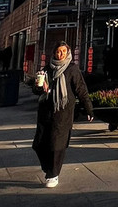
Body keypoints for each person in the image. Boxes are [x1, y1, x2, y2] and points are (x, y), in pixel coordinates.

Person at [32, 41, 94, 189]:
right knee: (39, 144)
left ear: (68, 54)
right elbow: (36, 91)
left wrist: (89, 109)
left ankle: (53, 174)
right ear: (54, 53)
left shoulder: (72, 69)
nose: (60, 55)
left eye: (63, 52)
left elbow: (81, 90)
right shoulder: (47, 69)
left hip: (63, 113)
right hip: (45, 112)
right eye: (58, 52)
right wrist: (40, 87)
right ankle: (48, 168)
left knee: (56, 145)